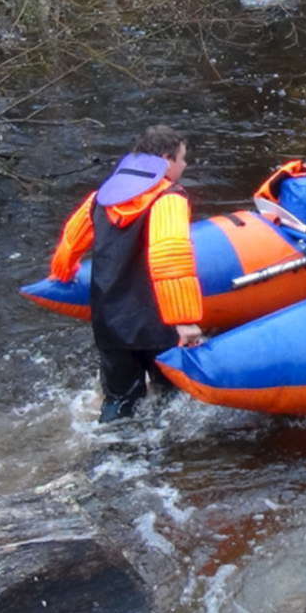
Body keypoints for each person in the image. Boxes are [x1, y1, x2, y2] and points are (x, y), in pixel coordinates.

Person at [47, 125, 205, 423]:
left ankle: (101, 456)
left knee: (119, 402)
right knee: (171, 402)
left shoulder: (101, 197)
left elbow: (71, 240)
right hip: (155, 324)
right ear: (166, 159)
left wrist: (62, 272)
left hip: (109, 323)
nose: (184, 165)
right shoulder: (168, 198)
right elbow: (169, 254)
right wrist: (184, 320)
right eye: (183, 158)